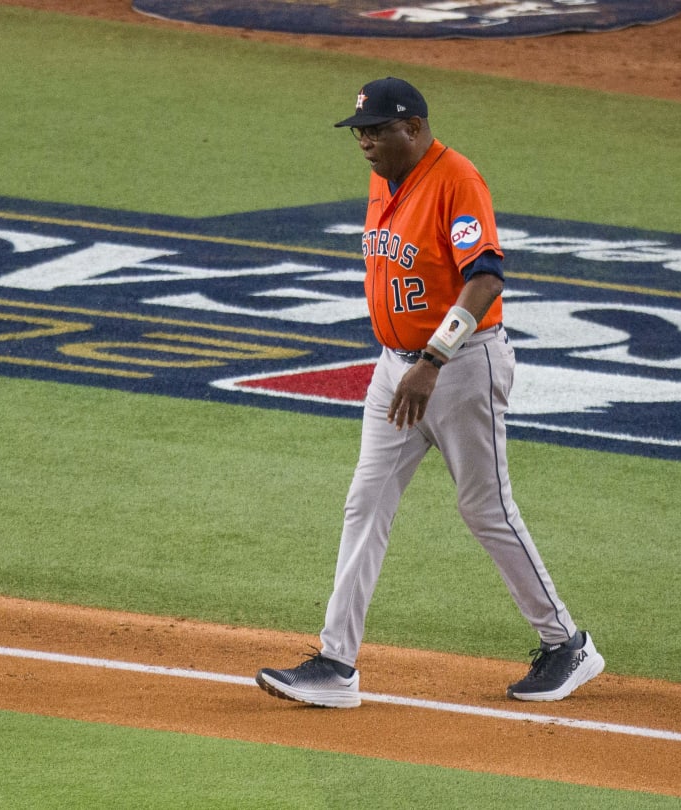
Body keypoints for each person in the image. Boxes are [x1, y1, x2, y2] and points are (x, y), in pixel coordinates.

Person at [256, 77, 603, 708]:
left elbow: (487, 278)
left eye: (376, 129)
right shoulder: (384, 177)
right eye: (359, 130)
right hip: (397, 369)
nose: (363, 140)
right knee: (365, 504)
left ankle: (566, 644)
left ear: (413, 127)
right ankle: (336, 665)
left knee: (485, 509)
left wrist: (433, 358)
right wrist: (409, 363)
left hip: (461, 368)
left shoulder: (457, 181)